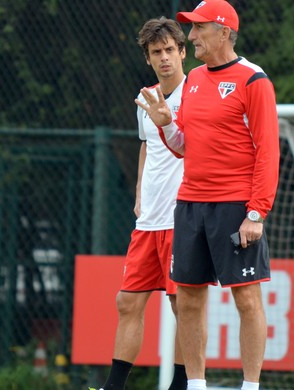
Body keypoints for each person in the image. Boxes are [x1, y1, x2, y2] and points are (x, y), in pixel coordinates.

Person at [136, 1, 280, 390]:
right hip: (189, 205)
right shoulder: (195, 79)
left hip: (235, 207)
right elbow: (184, 146)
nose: (192, 37)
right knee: (188, 299)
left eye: (198, 29)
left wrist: (256, 213)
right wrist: (166, 126)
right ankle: (195, 385)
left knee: (246, 300)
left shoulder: (254, 80)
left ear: (224, 32)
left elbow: (268, 151)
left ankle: (250, 386)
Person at [91, 17, 187, 390]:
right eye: (155, 52)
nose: (164, 58)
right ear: (147, 59)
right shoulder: (145, 98)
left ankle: (182, 385)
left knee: (184, 308)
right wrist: (139, 196)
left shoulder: (197, 94)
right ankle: (114, 387)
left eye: (169, 50)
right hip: (149, 221)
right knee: (127, 302)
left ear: (182, 52)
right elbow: (147, 146)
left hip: (184, 217)